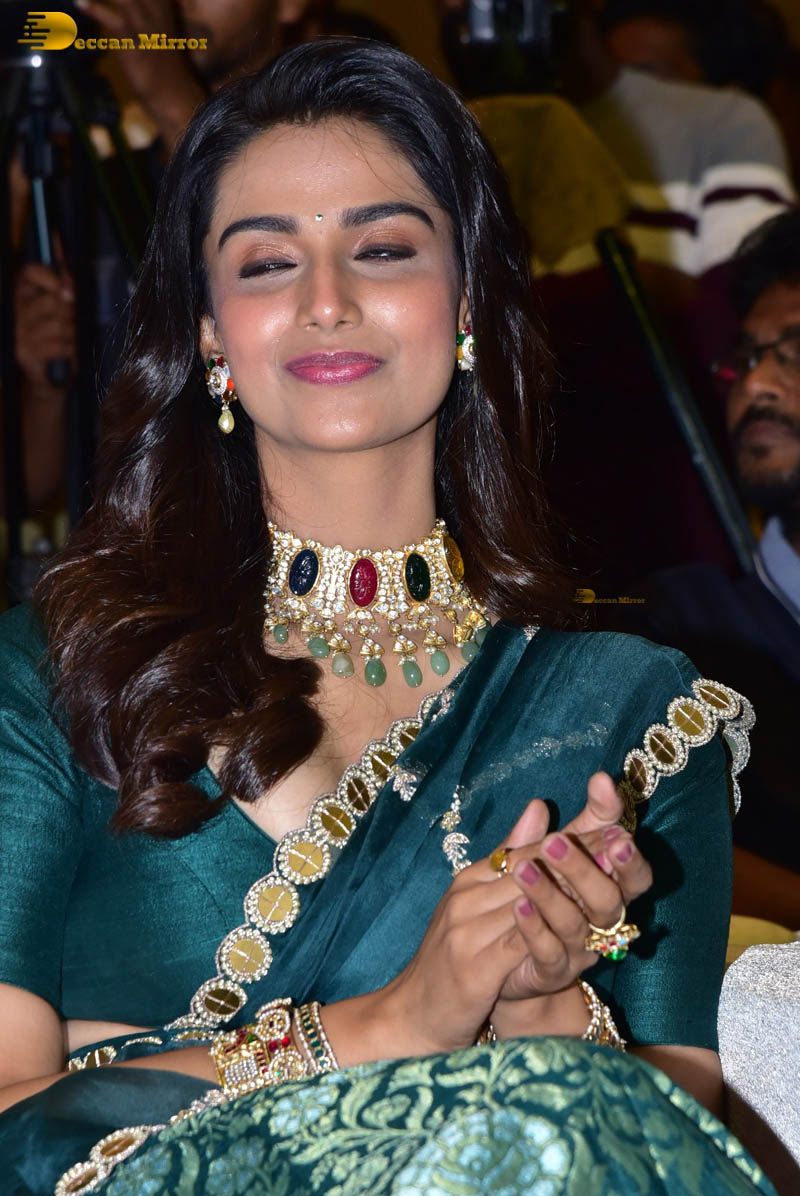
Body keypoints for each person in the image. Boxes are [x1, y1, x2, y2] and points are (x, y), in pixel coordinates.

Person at [0, 40, 772, 1196]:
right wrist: (392, 1021)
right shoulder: (59, 671)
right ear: (207, 329)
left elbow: (665, 1147)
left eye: (382, 248)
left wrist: (537, 1002)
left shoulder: (630, 715)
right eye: (266, 262)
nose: (326, 300)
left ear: (464, 298)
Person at [601, 210, 800, 925]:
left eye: (794, 353)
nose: (756, 385)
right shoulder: (674, 631)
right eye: (746, 358)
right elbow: (644, 839)